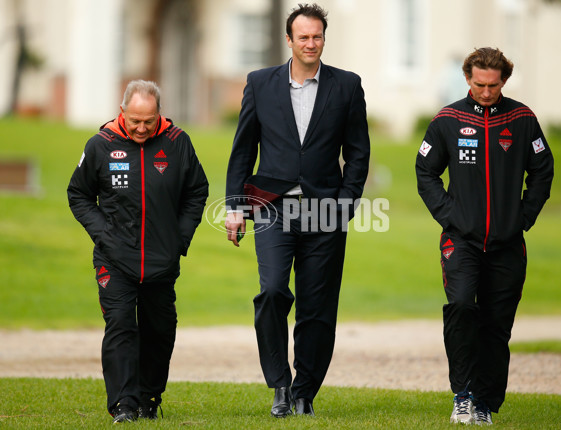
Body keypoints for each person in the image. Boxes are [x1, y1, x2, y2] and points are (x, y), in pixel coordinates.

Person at [225, 3, 370, 417]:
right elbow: (242, 152)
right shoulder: (259, 83)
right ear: (289, 39)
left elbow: (358, 153)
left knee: (317, 305)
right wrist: (235, 206)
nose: (311, 43)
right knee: (272, 291)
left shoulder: (347, 86)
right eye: (303, 36)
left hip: (326, 211)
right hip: (271, 207)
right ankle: (280, 385)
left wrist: (345, 205)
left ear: (325, 38)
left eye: (317, 36)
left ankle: (305, 391)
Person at [416, 47, 554, 425]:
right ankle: (462, 395)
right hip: (461, 241)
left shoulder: (523, 119)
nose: (487, 92)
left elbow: (543, 170)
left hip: (508, 244)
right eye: (480, 84)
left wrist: (524, 216)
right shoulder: (447, 120)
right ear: (467, 79)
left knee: (497, 325)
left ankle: (485, 404)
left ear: (504, 81)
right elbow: (425, 172)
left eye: (494, 85)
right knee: (461, 307)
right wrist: (450, 215)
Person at [67, 80, 209, 423]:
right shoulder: (101, 145)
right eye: (135, 121)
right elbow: (79, 195)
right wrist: (105, 235)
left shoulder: (178, 143)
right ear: (122, 113)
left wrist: (179, 239)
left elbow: (197, 191)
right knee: (120, 327)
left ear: (158, 114)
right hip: (115, 260)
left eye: (149, 121)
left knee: (160, 330)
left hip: (161, 260)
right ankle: (123, 406)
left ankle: (148, 398)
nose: (142, 128)